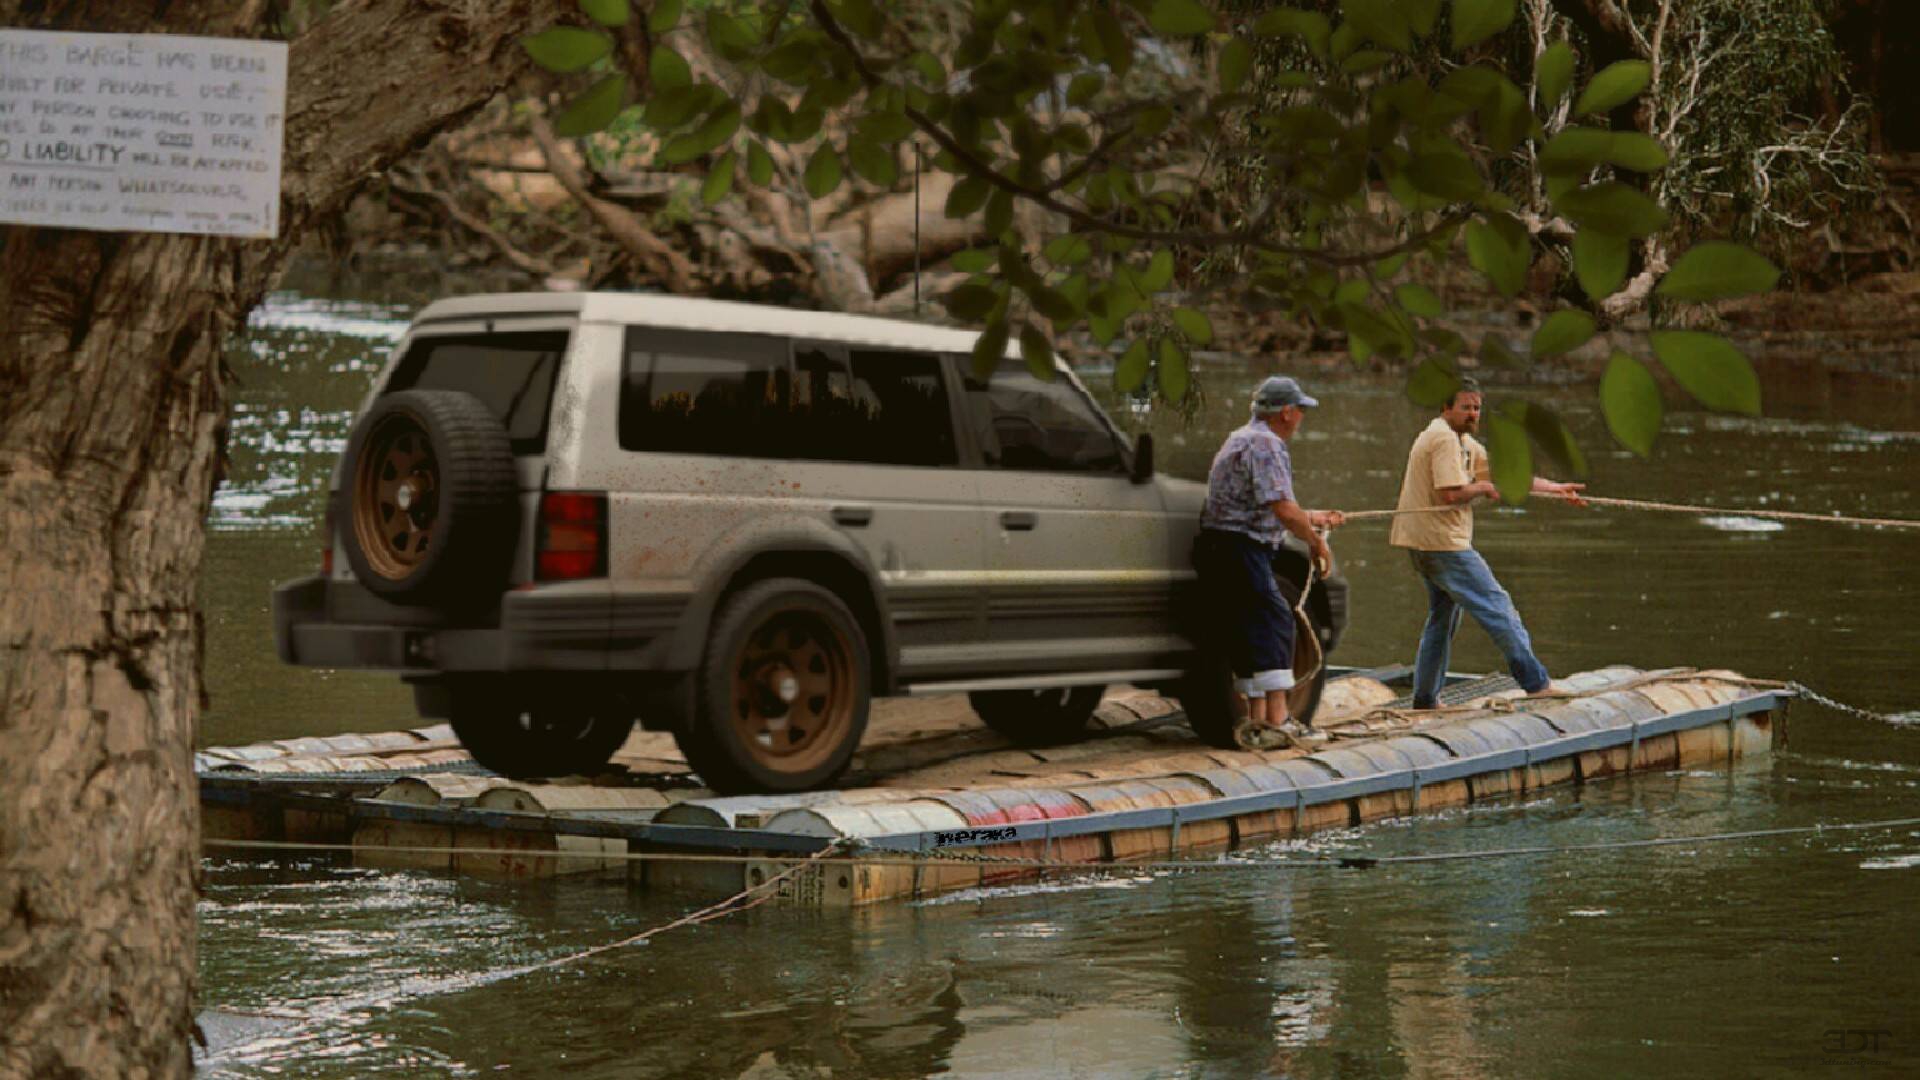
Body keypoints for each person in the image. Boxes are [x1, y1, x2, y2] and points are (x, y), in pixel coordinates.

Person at [1390, 377, 1587, 709]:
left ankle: (1425, 698)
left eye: (1477, 408)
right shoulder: (1442, 439)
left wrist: (1554, 488)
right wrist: (1482, 489)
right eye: (1465, 407)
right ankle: (1535, 683)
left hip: (1423, 542)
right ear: (1446, 408)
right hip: (1442, 544)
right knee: (1498, 607)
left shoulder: (1463, 441)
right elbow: (1449, 493)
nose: (1472, 414)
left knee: (1442, 617)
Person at [1194, 376, 1345, 749]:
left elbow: (1265, 504)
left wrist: (1311, 517)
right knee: (1275, 619)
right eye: (1301, 411)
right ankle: (1279, 721)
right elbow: (1281, 507)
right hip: (1240, 547)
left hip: (1222, 547)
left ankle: (1257, 719)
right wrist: (1316, 544)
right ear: (1287, 412)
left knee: (1249, 625)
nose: (1302, 419)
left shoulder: (1242, 437)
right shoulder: (1267, 444)